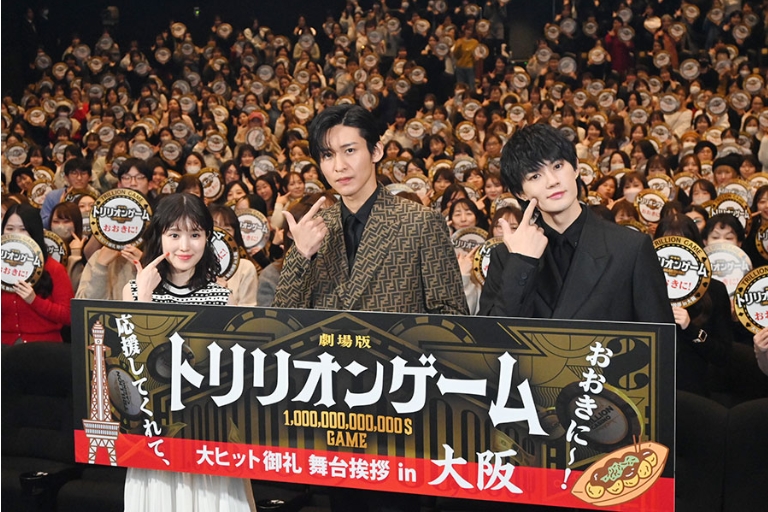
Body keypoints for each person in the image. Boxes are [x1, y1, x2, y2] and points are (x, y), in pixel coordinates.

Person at [121, 193, 255, 511]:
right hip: (155, 437)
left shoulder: (222, 296)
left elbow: (227, 375)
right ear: (159, 237)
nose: (185, 246)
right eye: (174, 234)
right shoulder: (135, 290)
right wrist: (144, 300)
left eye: (195, 234)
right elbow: (133, 368)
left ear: (207, 238)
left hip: (208, 435)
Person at [274, 104, 467, 315]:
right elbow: (283, 318)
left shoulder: (421, 223)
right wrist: (301, 254)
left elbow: (452, 316)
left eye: (349, 151)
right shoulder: (317, 228)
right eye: (328, 155)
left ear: (376, 151)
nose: (339, 166)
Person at [479, 124, 673, 323]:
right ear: (520, 193)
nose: (552, 181)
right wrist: (522, 263)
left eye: (557, 166)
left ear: (576, 167)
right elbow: (489, 336)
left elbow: (658, 336)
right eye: (535, 176)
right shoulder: (507, 257)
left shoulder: (631, 248)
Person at [2, 203, 74, 345]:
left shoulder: (53, 268)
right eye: (9, 228)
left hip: (44, 347)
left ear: (34, 231)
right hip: (4, 346)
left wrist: (34, 300)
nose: (15, 234)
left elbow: (69, 316)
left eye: (23, 229)